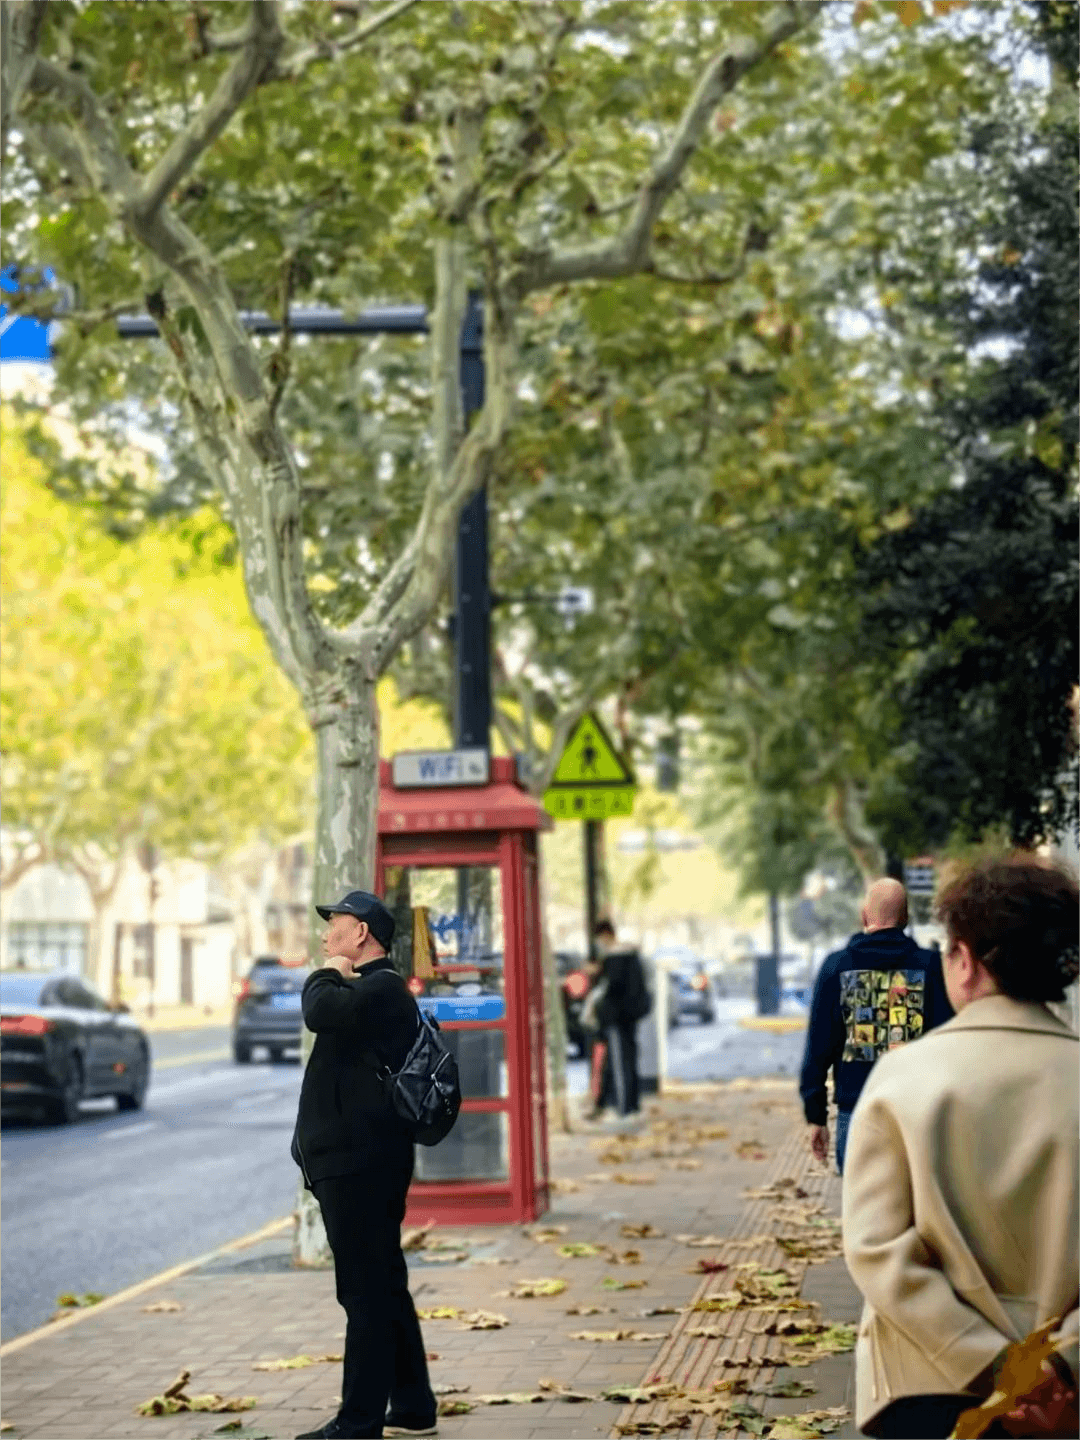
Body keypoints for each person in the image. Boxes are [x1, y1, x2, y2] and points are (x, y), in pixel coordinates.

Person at [841, 854, 1079, 1440]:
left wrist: (993, 1362)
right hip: (1066, 1396)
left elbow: (875, 1248)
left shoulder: (902, 1078)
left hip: (927, 1383)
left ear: (966, 960)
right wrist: (1059, 1366)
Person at [291, 889, 438, 1440]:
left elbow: (317, 1011)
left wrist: (327, 971)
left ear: (361, 935)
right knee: (384, 1284)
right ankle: (413, 1406)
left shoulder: (381, 988)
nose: (327, 935)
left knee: (364, 1293)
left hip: (361, 1164)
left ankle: (358, 1422)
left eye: (337, 926)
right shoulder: (373, 991)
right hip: (358, 1160)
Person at [799, 877, 952, 1175]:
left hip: (856, 1113)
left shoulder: (837, 967)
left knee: (862, 1215)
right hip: (916, 1114)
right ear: (905, 919)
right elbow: (948, 1044)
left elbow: (818, 1048)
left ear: (864, 915)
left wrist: (816, 1117)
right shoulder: (932, 967)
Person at [587, 919, 651, 1123]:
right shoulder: (632, 956)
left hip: (616, 1017)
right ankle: (628, 1105)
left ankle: (624, 1108)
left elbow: (610, 988)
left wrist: (597, 975)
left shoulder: (615, 959)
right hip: (629, 1017)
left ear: (605, 935)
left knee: (619, 1062)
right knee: (627, 1060)